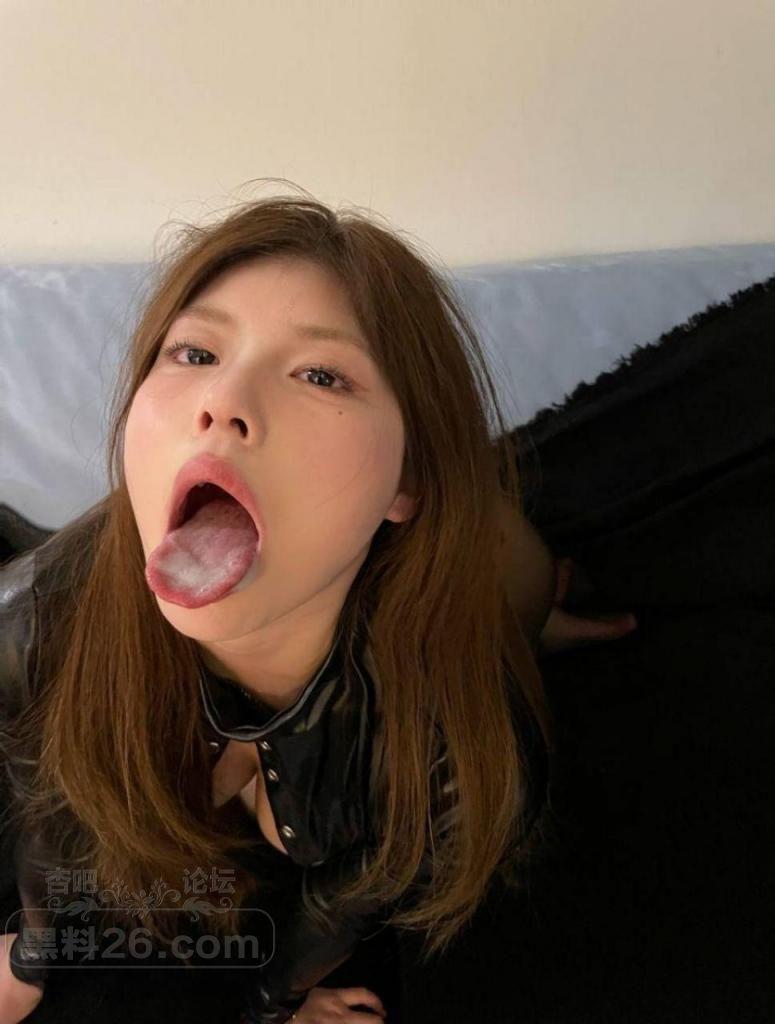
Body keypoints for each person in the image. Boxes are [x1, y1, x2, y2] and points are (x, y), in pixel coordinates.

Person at [0, 188, 635, 1023]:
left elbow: (350, 899)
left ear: (405, 478)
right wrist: (33, 957)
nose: (222, 402)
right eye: (194, 352)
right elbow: (48, 812)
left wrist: (277, 1005)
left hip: (494, 575)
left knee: (518, 588)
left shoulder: (458, 748)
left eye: (321, 374)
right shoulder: (36, 621)